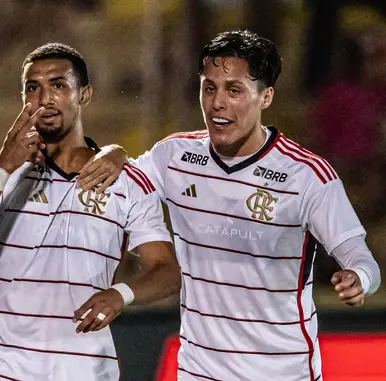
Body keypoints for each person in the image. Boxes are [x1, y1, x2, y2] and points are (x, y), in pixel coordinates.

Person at [77, 30, 381, 380]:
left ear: (266, 97)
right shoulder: (173, 157)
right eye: (209, 88)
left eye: (234, 90)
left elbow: (360, 257)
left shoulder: (306, 175)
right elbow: (119, 180)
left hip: (281, 372)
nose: (217, 103)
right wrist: (113, 152)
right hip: (198, 371)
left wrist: (358, 278)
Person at [0, 42, 182, 381]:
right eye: (33, 88)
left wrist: (120, 294)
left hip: (86, 366)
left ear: (84, 94)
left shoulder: (127, 182)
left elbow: (167, 271)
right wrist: (5, 165)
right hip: (7, 366)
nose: (45, 98)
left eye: (58, 85)